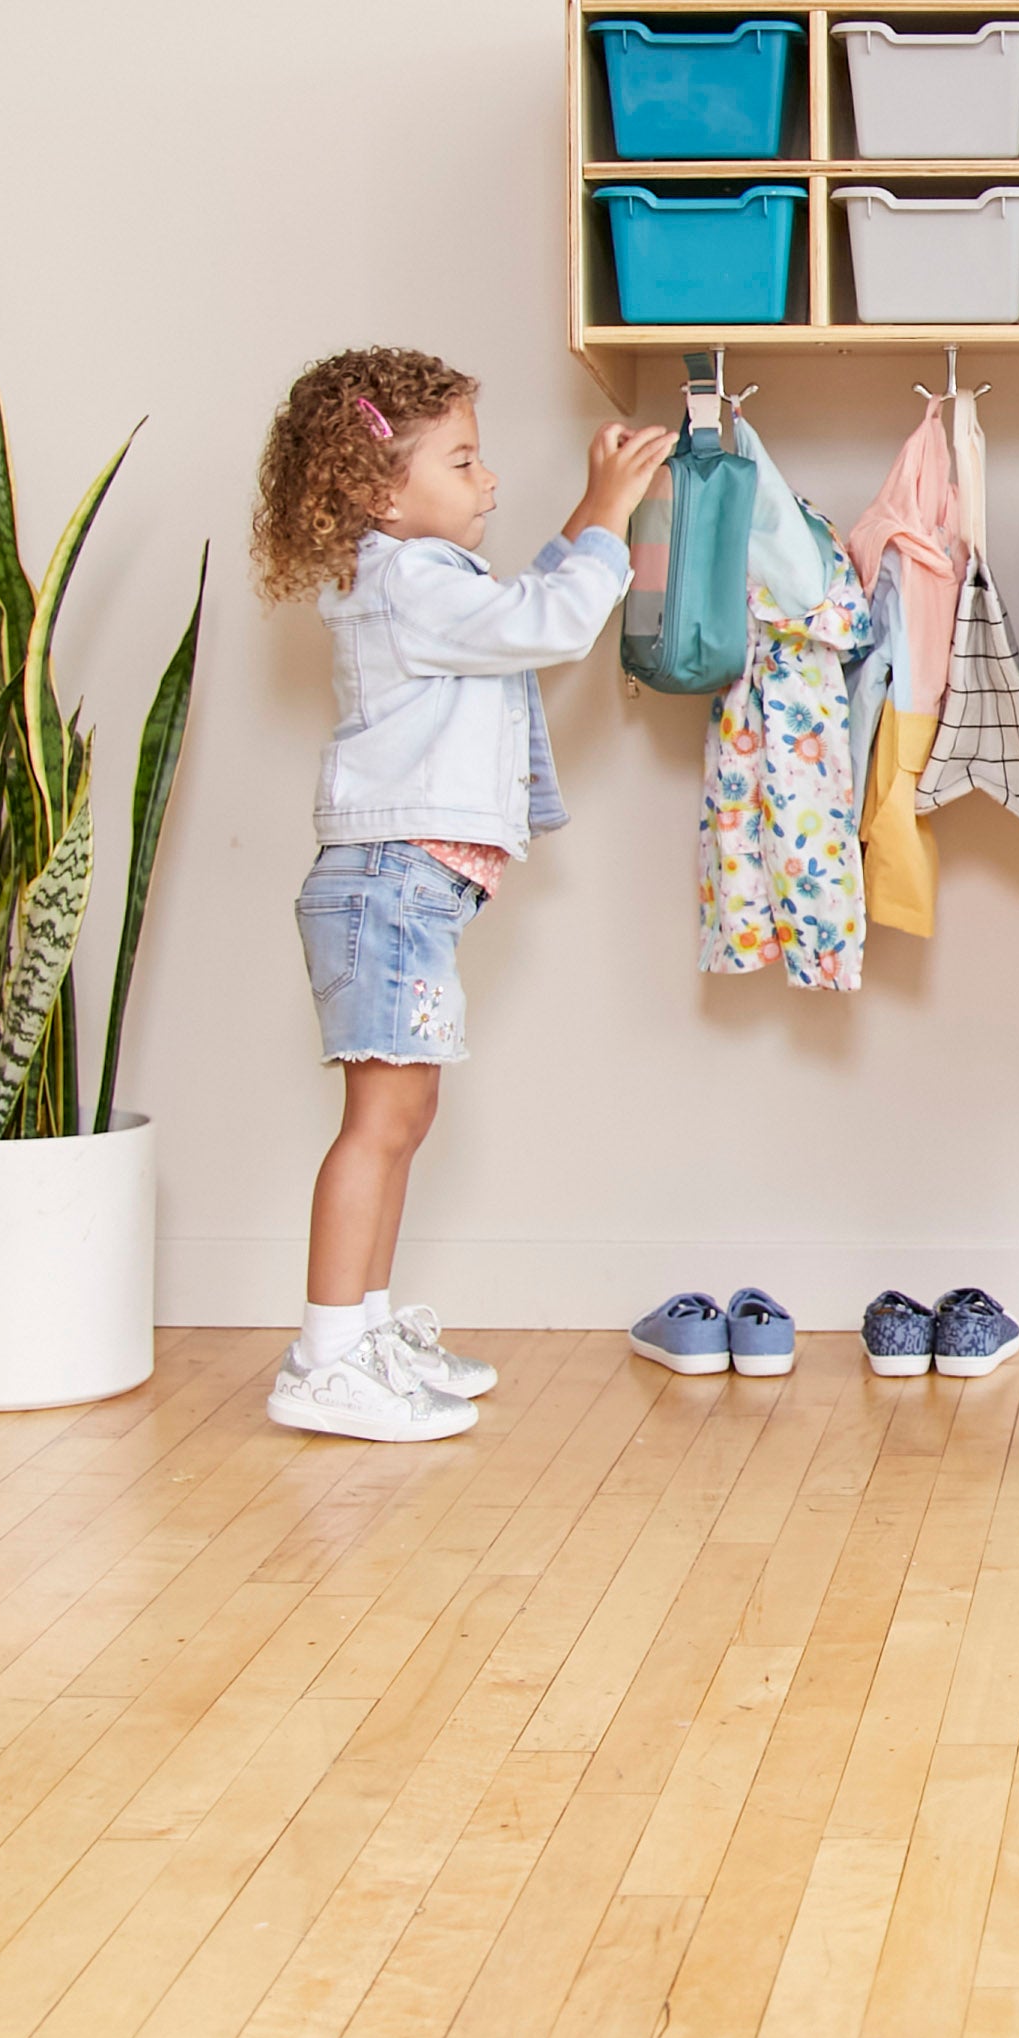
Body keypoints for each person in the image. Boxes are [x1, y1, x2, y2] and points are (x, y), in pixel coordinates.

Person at [251, 348, 671, 1442]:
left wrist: (591, 509)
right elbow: (551, 622)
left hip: (409, 887)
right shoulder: (405, 580)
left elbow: (516, 610)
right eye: (465, 459)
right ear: (380, 491)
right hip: (390, 885)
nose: (488, 480)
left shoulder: (421, 581)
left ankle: (365, 1331)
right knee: (379, 1122)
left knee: (405, 1114)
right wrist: (610, 511)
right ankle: (324, 1355)